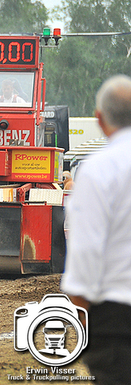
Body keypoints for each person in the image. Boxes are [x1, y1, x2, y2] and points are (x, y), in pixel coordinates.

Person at [60, 74, 131, 384]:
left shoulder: (99, 169)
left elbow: (87, 251)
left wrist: (81, 315)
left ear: (99, 120)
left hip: (117, 316)